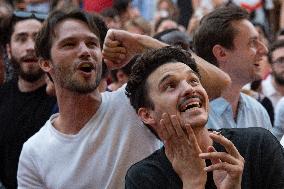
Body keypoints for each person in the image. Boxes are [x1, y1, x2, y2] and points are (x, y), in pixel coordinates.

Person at [17, 8, 231, 189]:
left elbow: (218, 83)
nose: (84, 51)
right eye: (69, 44)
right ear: (45, 63)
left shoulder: (131, 103)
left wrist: (141, 43)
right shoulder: (34, 152)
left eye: (92, 44)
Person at [124, 46, 284, 189]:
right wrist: (193, 183)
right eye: (170, 85)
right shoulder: (143, 177)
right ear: (147, 114)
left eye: (193, 80)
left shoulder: (258, 145)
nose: (189, 89)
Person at [0, 11, 56, 189]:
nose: (31, 46)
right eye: (21, 38)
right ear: (8, 50)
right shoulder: (2, 96)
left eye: (37, 38)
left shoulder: (64, 99)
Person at [193, 5, 272, 130]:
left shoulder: (258, 112)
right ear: (221, 53)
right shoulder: (192, 118)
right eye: (252, 42)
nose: (264, 49)